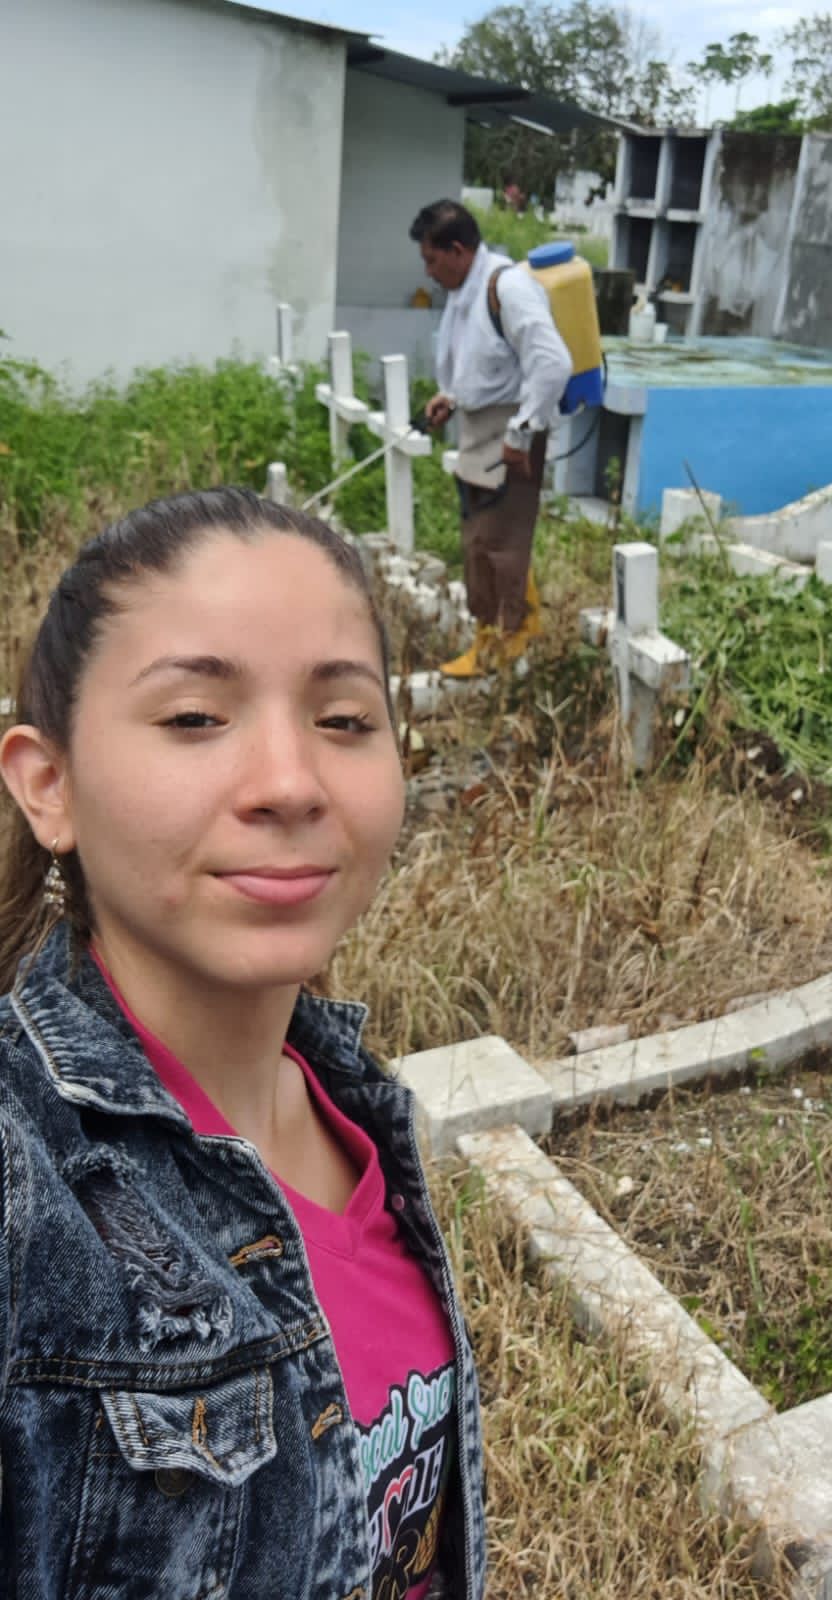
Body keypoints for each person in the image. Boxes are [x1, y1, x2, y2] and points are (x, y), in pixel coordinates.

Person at [0, 488, 487, 1600]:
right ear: (48, 785)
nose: (290, 784)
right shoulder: (27, 1195)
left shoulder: (352, 1105)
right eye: (194, 718)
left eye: (344, 720)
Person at [410, 199, 572, 677]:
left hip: (510, 431)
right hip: (480, 427)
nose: (429, 272)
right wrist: (451, 397)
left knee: (496, 540)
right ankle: (503, 632)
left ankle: (503, 645)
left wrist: (520, 436)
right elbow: (484, 363)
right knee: (483, 539)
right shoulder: (466, 291)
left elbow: (553, 363)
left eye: (432, 260)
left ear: (457, 251)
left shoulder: (508, 287)